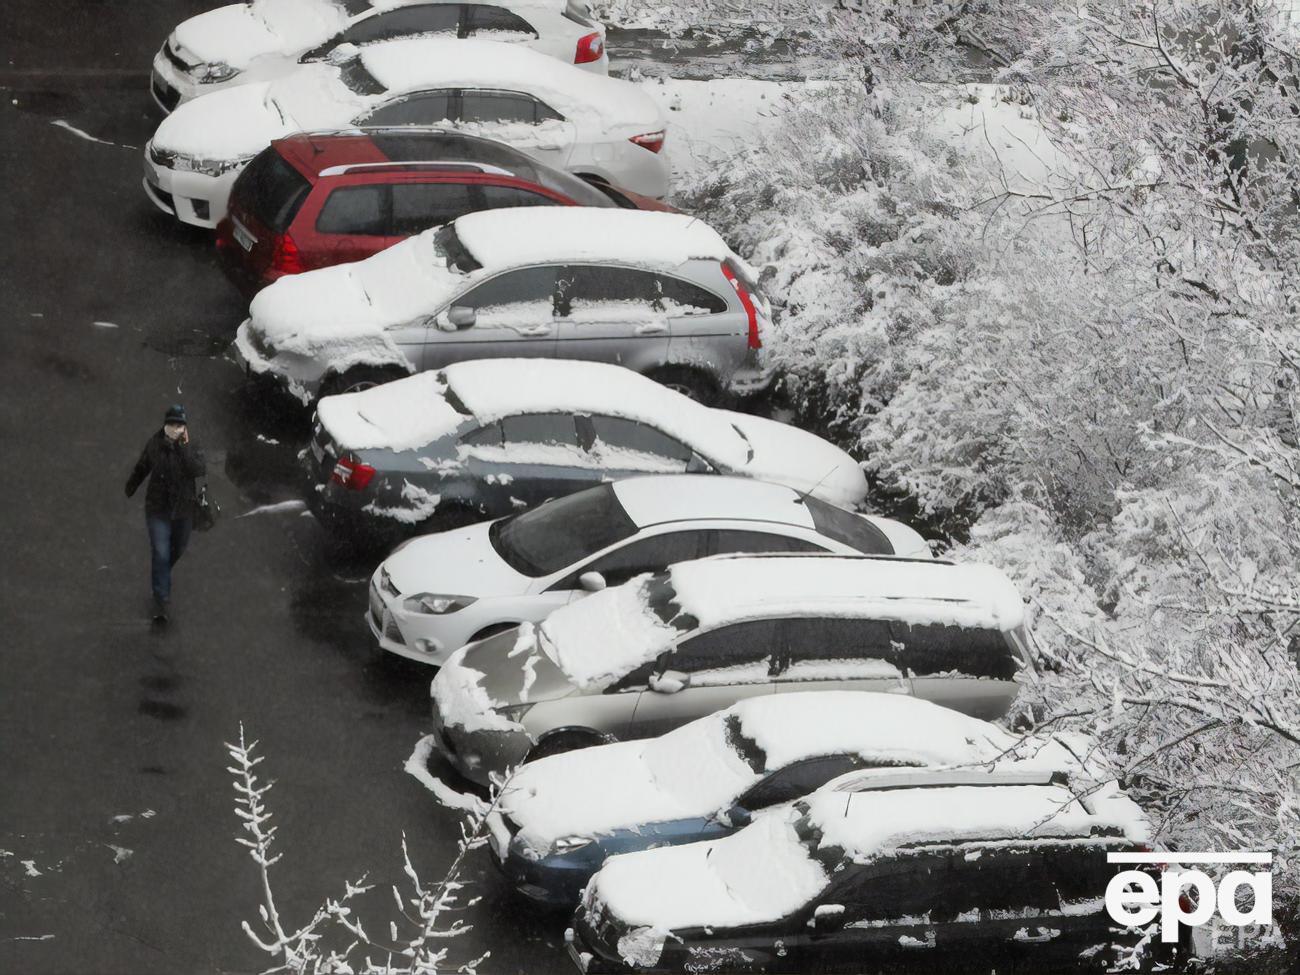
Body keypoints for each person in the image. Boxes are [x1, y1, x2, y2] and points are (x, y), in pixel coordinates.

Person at [125, 404, 206, 623]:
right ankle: (161, 601)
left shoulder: (191, 445)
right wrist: (131, 486)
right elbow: (143, 466)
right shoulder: (155, 444)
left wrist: (183, 448)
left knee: (177, 549)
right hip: (157, 509)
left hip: (183, 510)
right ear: (165, 424)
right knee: (161, 552)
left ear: (185, 427)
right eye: (171, 424)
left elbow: (199, 469)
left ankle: (161, 573)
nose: (175, 428)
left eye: (179, 424)